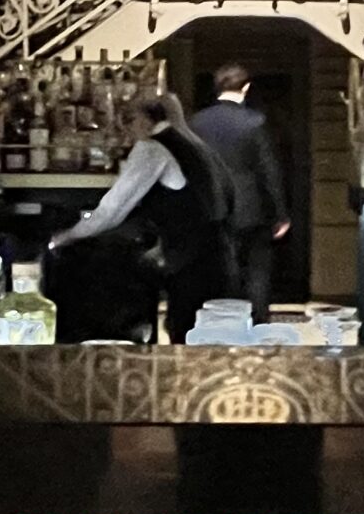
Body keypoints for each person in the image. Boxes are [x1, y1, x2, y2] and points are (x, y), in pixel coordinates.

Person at [48, 92, 235, 343]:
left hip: (190, 262)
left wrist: (68, 235)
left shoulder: (152, 149)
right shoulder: (195, 145)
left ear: (146, 120)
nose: (127, 129)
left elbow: (112, 210)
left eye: (130, 119)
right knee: (206, 339)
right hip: (218, 254)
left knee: (186, 335)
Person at [190, 63, 290, 322]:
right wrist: (280, 213)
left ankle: (218, 324)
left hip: (208, 207)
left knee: (216, 271)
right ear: (246, 88)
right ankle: (257, 324)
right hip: (250, 208)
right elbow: (268, 171)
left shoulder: (197, 122)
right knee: (257, 272)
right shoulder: (255, 122)